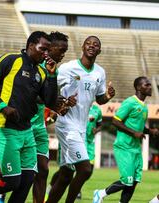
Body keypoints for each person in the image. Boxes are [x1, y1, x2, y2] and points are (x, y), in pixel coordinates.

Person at [0, 31, 58, 203]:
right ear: (31, 45)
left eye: (48, 50)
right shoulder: (11, 59)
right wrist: (2, 107)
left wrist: (53, 75)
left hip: (27, 131)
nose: (46, 54)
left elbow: (50, 102)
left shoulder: (42, 72)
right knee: (11, 181)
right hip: (4, 128)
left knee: (27, 181)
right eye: (42, 49)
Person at [47, 36, 116, 203]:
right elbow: (50, 91)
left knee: (65, 175)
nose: (92, 46)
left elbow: (99, 99)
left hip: (81, 127)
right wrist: (63, 102)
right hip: (66, 125)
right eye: (88, 43)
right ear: (82, 47)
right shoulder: (67, 68)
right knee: (85, 169)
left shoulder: (100, 72)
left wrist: (107, 96)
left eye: (96, 45)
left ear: (99, 50)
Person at [93, 76, 159, 203]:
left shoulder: (144, 106)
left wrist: (149, 131)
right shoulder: (130, 102)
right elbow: (115, 121)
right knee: (126, 180)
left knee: (134, 181)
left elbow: (138, 127)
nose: (150, 87)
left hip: (135, 149)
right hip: (124, 146)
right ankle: (100, 193)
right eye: (147, 85)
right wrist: (134, 133)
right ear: (139, 87)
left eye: (150, 85)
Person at [31, 31, 68, 203]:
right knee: (12, 177)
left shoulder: (54, 70)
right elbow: (30, 93)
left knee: (43, 170)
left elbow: (49, 100)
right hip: (23, 125)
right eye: (60, 50)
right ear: (49, 48)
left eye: (64, 51)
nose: (62, 55)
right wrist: (52, 100)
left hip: (39, 126)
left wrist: (61, 105)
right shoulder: (34, 65)